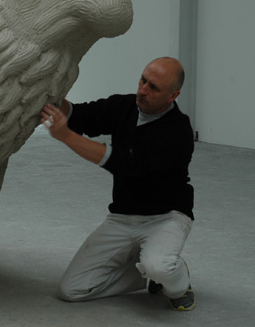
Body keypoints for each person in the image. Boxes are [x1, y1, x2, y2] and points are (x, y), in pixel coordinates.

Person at [40, 57, 196, 311]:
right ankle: (145, 275)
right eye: (143, 80)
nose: (142, 90)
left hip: (165, 218)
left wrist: (66, 136)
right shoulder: (125, 106)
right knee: (71, 290)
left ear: (173, 95)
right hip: (122, 217)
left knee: (160, 266)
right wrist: (51, 96)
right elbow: (80, 115)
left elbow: (127, 163)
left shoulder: (177, 131)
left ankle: (176, 280)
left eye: (153, 87)